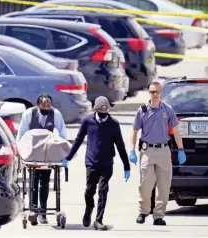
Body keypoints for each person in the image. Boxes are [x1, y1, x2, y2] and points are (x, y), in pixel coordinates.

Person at [62, 96, 130, 230]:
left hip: (107, 163)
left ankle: (99, 219)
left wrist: (126, 166)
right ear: (96, 109)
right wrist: (68, 157)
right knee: (89, 191)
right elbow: (78, 139)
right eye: (101, 109)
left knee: (103, 190)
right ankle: (88, 210)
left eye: (106, 109)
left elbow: (120, 146)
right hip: (91, 162)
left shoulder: (113, 124)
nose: (104, 111)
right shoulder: (88, 121)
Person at [129, 81, 186, 226]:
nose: (155, 95)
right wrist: (132, 149)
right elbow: (134, 131)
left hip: (164, 151)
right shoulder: (142, 110)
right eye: (152, 92)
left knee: (164, 185)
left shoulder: (168, 110)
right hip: (147, 151)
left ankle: (159, 216)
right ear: (149, 93)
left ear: (161, 93)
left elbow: (176, 131)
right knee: (145, 184)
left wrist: (181, 150)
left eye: (157, 92)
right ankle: (143, 211)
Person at [16, 93, 68, 225]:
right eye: (44, 105)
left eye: (49, 105)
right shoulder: (29, 113)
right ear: (38, 104)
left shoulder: (56, 114)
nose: (46, 107)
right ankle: (33, 210)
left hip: (47, 153)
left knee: (44, 182)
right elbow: (21, 134)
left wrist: (63, 152)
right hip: (32, 152)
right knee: (33, 181)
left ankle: (43, 213)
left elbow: (62, 133)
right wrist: (20, 153)